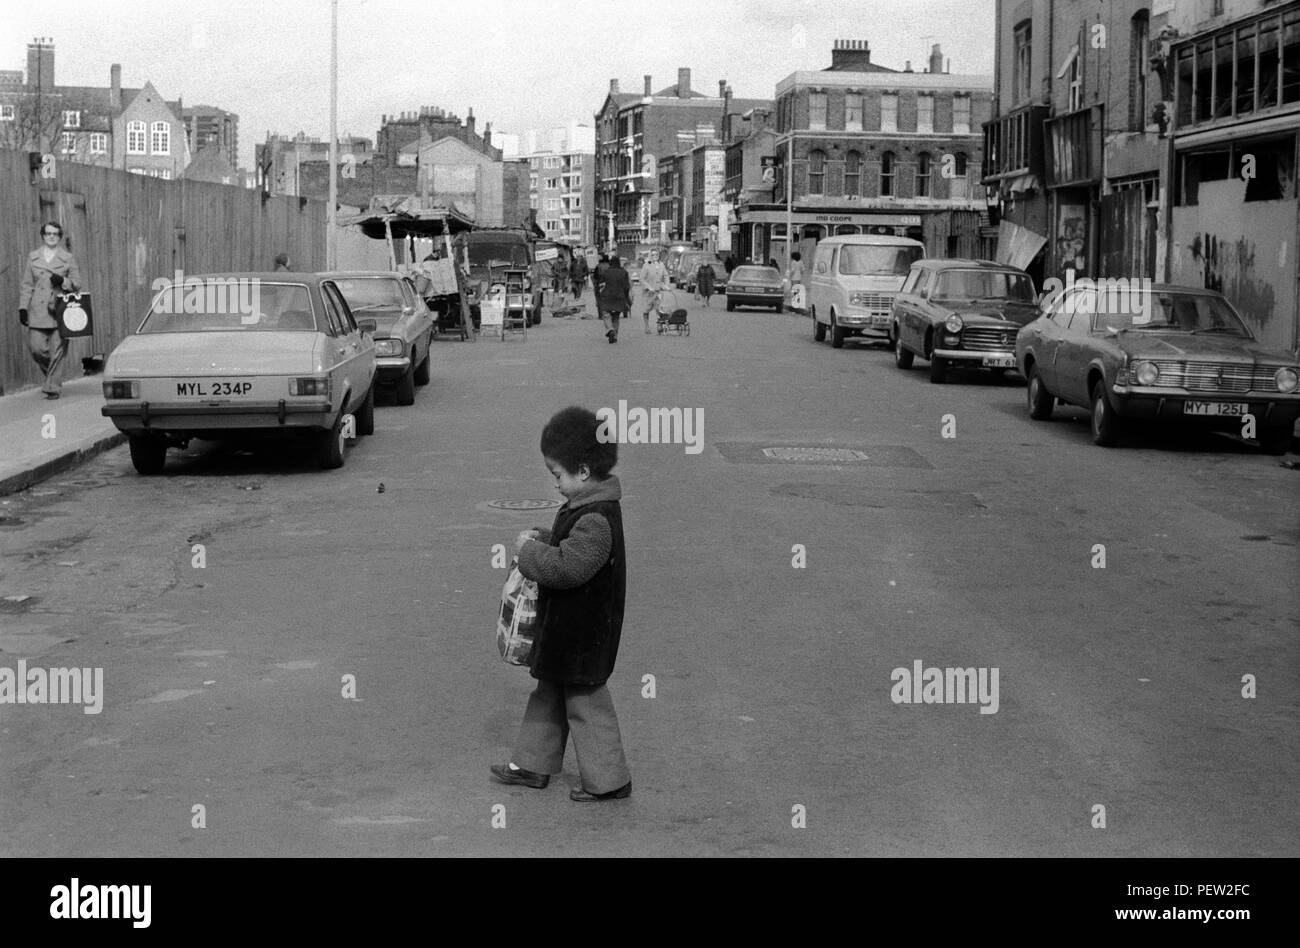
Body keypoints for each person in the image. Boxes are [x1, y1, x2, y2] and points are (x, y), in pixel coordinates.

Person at [491, 406, 631, 802]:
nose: (555, 484)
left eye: (558, 475)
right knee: (548, 695)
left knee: (586, 704)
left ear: (583, 472)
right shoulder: (584, 508)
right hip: (566, 635)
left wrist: (531, 553)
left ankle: (609, 780)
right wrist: (544, 537)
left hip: (583, 638)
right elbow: (567, 547)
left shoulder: (596, 519)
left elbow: (569, 567)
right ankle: (532, 764)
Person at [19, 221, 82, 399]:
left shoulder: (67, 258)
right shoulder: (33, 257)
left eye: (55, 233)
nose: (51, 236)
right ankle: (52, 378)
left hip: (60, 310)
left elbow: (77, 283)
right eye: (48, 233)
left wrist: (62, 281)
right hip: (38, 310)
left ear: (60, 237)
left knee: (57, 351)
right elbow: (26, 285)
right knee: (37, 350)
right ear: (43, 236)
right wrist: (23, 307)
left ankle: (52, 387)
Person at [597, 255, 631, 343]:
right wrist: (626, 297)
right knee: (616, 316)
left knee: (606, 314)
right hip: (619, 297)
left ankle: (610, 330)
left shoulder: (606, 272)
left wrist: (600, 295)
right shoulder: (624, 272)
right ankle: (615, 335)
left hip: (607, 296)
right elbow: (627, 287)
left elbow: (600, 285)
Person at [639, 251, 668, 333]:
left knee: (659, 309)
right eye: (653, 255)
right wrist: (648, 287)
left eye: (656, 254)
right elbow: (641, 278)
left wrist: (666, 285)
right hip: (648, 292)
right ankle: (646, 326)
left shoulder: (661, 264)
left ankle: (659, 326)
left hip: (658, 291)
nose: (655, 256)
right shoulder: (646, 265)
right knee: (646, 310)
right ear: (650, 255)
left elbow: (666, 275)